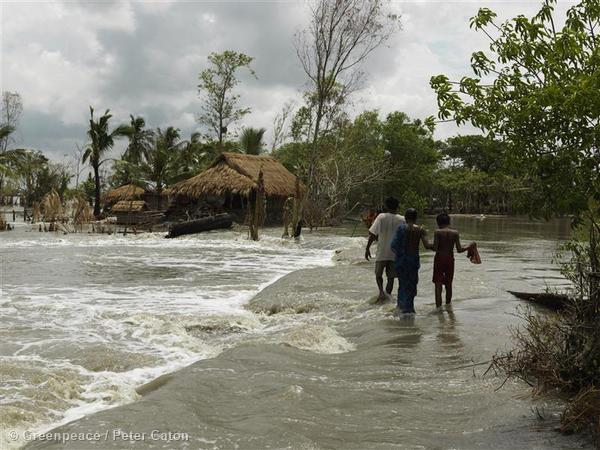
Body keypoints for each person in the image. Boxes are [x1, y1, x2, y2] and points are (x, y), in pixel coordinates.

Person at [391, 208, 431, 313]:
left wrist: (400, 255)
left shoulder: (401, 228)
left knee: (402, 284)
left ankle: (401, 307)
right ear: (416, 218)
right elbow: (427, 245)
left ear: (405, 217)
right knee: (412, 284)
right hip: (413, 262)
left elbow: (393, 246)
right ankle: (410, 308)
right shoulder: (421, 230)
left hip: (402, 262)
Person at [365, 197, 405, 302]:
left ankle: (381, 292)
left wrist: (367, 248)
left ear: (386, 206)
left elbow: (373, 234)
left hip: (382, 251)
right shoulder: (402, 219)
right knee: (391, 277)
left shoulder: (381, 217)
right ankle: (388, 295)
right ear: (398, 206)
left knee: (378, 274)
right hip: (394, 253)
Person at [432, 212, 474, 308]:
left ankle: (438, 309)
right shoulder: (455, 233)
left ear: (438, 222)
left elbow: (435, 248)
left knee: (438, 284)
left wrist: (427, 245)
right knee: (448, 284)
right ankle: (448, 306)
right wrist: (470, 245)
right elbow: (459, 250)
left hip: (439, 259)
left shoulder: (437, 232)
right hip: (450, 259)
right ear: (449, 222)